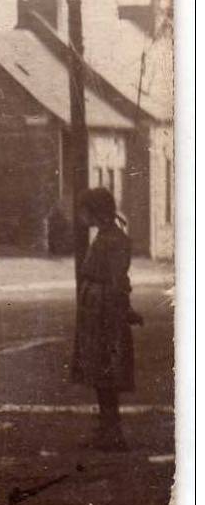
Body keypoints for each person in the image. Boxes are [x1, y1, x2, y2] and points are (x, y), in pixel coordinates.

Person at [70, 187, 140, 451]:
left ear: (95, 212)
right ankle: (107, 428)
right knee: (101, 374)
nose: (80, 216)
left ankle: (112, 431)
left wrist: (124, 309)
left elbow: (117, 280)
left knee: (106, 373)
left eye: (84, 210)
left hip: (105, 314)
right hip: (97, 311)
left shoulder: (114, 240)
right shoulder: (106, 237)